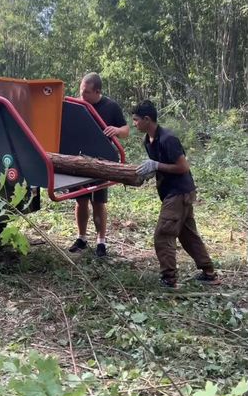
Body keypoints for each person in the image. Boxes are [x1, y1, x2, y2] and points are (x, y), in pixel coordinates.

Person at [132, 100, 220, 288]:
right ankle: (209, 272)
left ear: (147, 119)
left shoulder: (167, 139)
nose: (134, 124)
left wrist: (156, 165)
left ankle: (169, 279)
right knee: (188, 235)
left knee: (163, 234)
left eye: (136, 120)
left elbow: (182, 167)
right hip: (172, 192)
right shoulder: (148, 140)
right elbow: (162, 164)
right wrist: (151, 170)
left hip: (179, 192)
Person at [68, 72, 129, 257]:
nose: (82, 96)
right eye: (81, 91)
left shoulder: (111, 107)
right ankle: (81, 238)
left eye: (86, 92)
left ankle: (101, 242)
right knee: (81, 200)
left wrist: (117, 130)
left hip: (102, 160)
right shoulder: (77, 105)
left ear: (97, 91)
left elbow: (126, 130)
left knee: (99, 202)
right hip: (79, 158)